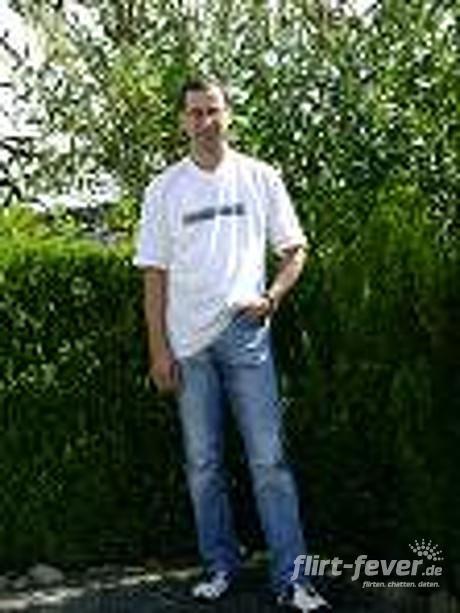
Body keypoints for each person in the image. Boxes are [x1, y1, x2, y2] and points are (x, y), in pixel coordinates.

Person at [134, 76, 329, 612]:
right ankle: (220, 567)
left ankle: (293, 581)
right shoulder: (163, 189)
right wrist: (158, 350)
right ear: (182, 121)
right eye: (195, 113)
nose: (205, 121)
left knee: (270, 461)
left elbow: (295, 249)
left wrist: (271, 297)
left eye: (213, 111)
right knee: (203, 465)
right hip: (187, 345)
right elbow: (154, 275)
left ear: (228, 115)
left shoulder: (260, 177)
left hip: (246, 337)